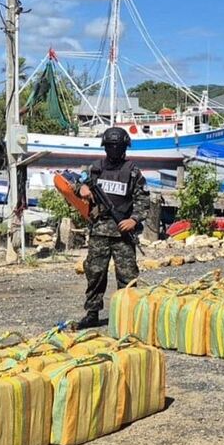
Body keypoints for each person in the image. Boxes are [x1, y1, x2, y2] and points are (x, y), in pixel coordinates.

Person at [75, 127, 149, 329]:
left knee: (127, 276)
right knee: (95, 273)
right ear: (106, 147)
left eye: (118, 146)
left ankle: (128, 314)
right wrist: (81, 188)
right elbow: (76, 181)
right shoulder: (95, 169)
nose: (114, 150)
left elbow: (143, 199)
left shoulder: (132, 172)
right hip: (99, 229)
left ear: (124, 147)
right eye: (111, 146)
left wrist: (134, 220)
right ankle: (92, 313)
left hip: (123, 232)